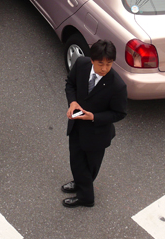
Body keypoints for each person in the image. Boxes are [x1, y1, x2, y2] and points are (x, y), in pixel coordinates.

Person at [62, 40, 127, 208]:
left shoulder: (118, 86)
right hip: (77, 125)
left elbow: (119, 113)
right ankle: (79, 183)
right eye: (100, 64)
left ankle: (86, 197)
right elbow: (70, 84)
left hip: (97, 134)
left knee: (90, 166)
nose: (104, 68)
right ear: (92, 60)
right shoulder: (81, 64)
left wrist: (94, 117)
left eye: (109, 64)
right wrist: (73, 102)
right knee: (76, 160)